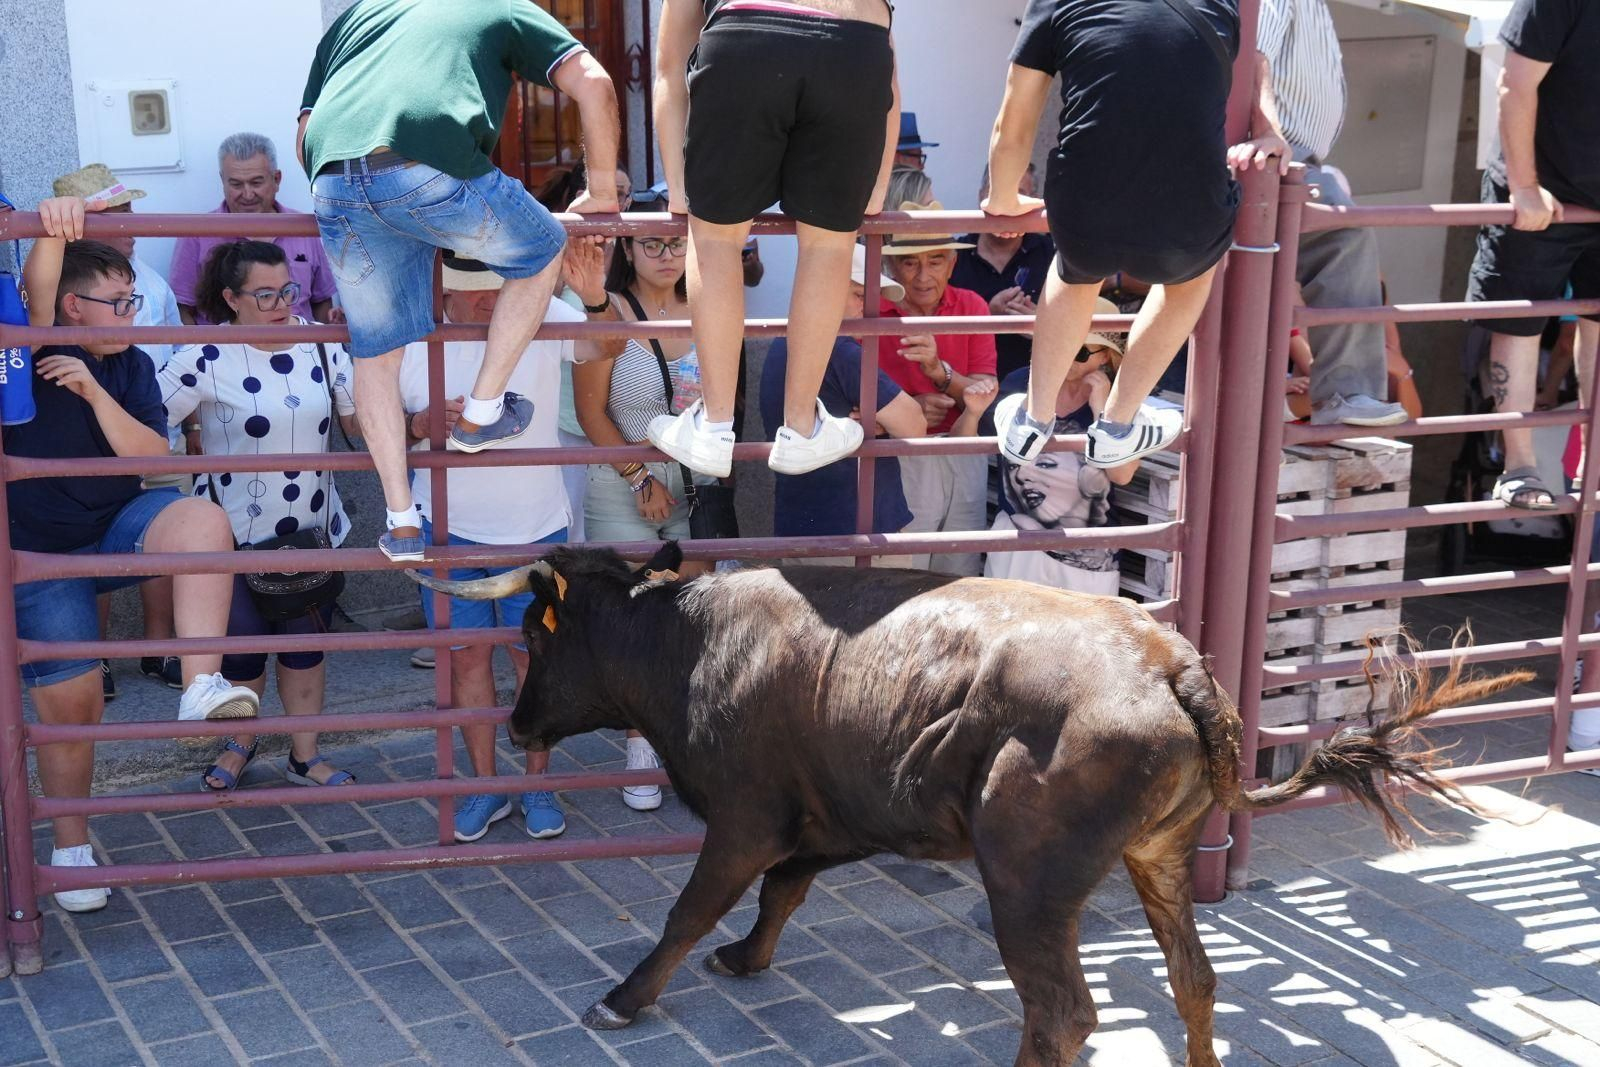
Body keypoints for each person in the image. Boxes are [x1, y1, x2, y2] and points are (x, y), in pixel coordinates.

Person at [297, 0, 620, 562]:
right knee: (543, 248)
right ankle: (482, 412)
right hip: (427, 164)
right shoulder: (501, 6)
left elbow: (305, 130)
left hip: (332, 179)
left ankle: (400, 522)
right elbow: (594, 82)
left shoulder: (358, 14)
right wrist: (603, 192)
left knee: (377, 351)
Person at [13, 199, 259, 913]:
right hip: (38, 550)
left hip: (117, 522)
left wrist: (91, 388)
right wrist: (52, 227)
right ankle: (71, 848)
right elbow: (33, 294)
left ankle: (200, 683)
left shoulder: (131, 363)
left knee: (203, 520)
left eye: (134, 298)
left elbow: (153, 456)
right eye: (118, 302)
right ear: (71, 307)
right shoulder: (24, 349)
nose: (133, 310)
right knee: (73, 699)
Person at [649, 0, 900, 480]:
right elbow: (885, 64)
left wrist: (680, 187)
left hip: (749, 34)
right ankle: (802, 428)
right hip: (853, 45)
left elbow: (668, 67)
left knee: (717, 240)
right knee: (829, 247)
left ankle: (714, 425)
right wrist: (879, 185)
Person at [987, 0, 1240, 471]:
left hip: (1087, 205)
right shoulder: (1222, 4)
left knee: (1074, 272)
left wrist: (1003, 199)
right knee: (1189, 282)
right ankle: (1118, 426)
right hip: (1189, 209)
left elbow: (1014, 120)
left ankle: (1032, 419)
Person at [159, 240, 359, 793]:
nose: (282, 303)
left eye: (289, 290)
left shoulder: (322, 347)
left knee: (304, 649)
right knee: (241, 653)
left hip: (311, 528)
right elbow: (151, 416)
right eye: (265, 294)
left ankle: (304, 755)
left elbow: (362, 424)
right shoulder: (204, 354)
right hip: (231, 536)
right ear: (231, 298)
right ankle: (239, 745)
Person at [400, 254, 583, 840]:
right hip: (446, 531)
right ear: (443, 291)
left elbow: (605, 350)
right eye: (469, 290)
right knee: (467, 659)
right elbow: (361, 424)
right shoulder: (410, 331)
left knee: (534, 659)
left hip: (536, 527)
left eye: (494, 286)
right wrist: (418, 423)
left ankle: (537, 784)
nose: (487, 299)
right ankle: (484, 786)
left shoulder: (540, 306)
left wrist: (596, 295)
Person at [568, 232, 706, 812]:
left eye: (678, 244)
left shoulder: (705, 307)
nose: (667, 255)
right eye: (652, 244)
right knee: (634, 618)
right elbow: (590, 411)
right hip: (624, 477)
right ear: (631, 249)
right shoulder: (607, 309)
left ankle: (682, 745)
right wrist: (638, 477)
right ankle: (639, 750)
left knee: (690, 615)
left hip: (694, 480)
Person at [1229, 9, 1407, 430]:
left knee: (1341, 232)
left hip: (1274, 157)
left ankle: (1345, 392)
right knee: (1343, 233)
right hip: (1262, 156)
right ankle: (1346, 392)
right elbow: (1254, 53)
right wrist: (1269, 133)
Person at [50, 164, 188, 694]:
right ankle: (97, 656)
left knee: (158, 536)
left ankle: (159, 647)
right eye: (117, 213)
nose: (132, 221)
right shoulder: (63, 282)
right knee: (94, 542)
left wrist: (188, 422)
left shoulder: (146, 279)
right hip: (86, 435)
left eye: (131, 209)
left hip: (152, 423)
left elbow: (175, 346)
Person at [1459, 0, 1600, 510]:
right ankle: (1519, 468)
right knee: (1520, 321)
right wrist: (1523, 187)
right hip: (1541, 191)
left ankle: (1594, 466)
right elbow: (1514, 85)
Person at [761, 245, 927, 566]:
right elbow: (915, 426)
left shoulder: (780, 343)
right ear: (824, 287)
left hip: (801, 530)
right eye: (858, 294)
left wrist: (872, 420)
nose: (868, 307)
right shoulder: (841, 349)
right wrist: (876, 422)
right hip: (858, 537)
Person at [982, 299, 1139, 593]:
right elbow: (1011, 445)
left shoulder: (1121, 401)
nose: (1065, 356)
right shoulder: (1020, 383)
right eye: (1059, 344)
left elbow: (1122, 475)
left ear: (1104, 357)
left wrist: (1103, 412)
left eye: (1079, 351)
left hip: (1089, 555)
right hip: (1018, 542)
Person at [879, 215, 998, 575]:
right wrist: (908, 410)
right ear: (891, 266)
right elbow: (848, 396)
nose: (922, 275)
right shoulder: (873, 310)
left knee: (959, 570)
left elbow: (983, 392)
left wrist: (939, 372)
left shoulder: (973, 305)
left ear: (952, 262)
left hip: (963, 448)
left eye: (935, 260)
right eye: (910, 262)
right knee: (904, 571)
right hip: (899, 454)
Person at [168, 134, 338, 326]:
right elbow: (182, 311)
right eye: (236, 184)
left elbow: (322, 303)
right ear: (222, 180)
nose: (247, 194)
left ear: (276, 179)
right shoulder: (196, 234)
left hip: (297, 349)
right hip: (224, 351)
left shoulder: (304, 228)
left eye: (256, 182)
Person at [952, 163, 1056, 380]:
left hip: (1036, 386)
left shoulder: (1052, 254)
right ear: (981, 196)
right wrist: (987, 316)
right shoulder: (952, 257)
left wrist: (1045, 329)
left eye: (1019, 194)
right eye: (996, 193)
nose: (1007, 205)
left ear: (1034, 203)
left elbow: (1079, 327)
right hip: (965, 389)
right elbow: (935, 335)